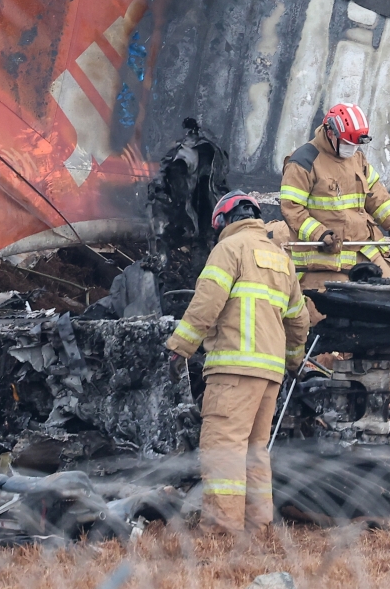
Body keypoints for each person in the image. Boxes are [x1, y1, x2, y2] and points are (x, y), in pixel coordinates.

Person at [166, 191, 309, 535]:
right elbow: (299, 320)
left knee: (223, 447)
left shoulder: (229, 250)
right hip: (269, 375)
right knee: (255, 451)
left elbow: (206, 304)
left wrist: (180, 346)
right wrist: (292, 362)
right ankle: (258, 525)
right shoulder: (280, 258)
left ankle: (221, 528)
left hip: (233, 369)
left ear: (226, 220)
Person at [279, 103, 390, 323]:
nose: (351, 148)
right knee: (333, 321)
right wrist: (320, 235)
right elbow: (292, 209)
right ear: (330, 132)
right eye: (347, 142)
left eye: (354, 144)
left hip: (364, 253)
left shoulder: (356, 158)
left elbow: (376, 196)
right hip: (325, 260)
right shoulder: (303, 161)